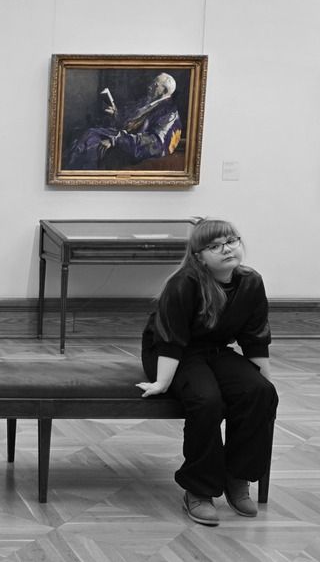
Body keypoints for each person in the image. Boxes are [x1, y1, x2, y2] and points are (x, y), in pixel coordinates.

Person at [137, 218, 278, 527]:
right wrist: (162, 382)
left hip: (214, 349)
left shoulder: (251, 282)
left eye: (231, 241)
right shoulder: (184, 282)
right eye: (215, 246)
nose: (226, 249)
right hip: (171, 352)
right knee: (206, 400)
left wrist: (263, 382)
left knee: (260, 393)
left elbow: (255, 337)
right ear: (199, 256)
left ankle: (237, 477)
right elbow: (171, 338)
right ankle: (199, 489)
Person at [65, 72, 183, 170]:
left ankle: (77, 179)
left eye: (155, 84)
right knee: (85, 133)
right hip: (125, 138)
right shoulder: (148, 102)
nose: (149, 86)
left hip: (133, 146)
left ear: (164, 91)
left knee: (90, 143)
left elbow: (155, 144)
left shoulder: (169, 113)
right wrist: (116, 114)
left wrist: (116, 140)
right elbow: (129, 123)